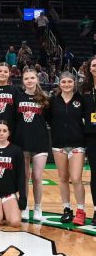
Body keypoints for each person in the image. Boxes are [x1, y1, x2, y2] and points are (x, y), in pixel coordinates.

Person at [48, 72, 86, 225]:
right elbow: (48, 119)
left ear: (74, 83)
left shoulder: (81, 100)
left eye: (69, 81)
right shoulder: (53, 101)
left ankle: (81, 211)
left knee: (76, 179)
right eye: (63, 82)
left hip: (77, 145)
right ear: (59, 84)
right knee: (63, 178)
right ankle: (66, 209)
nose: (66, 84)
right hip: (58, 145)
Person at [14, 69, 49, 221]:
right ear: (23, 81)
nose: (29, 80)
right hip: (21, 141)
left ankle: (38, 207)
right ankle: (24, 206)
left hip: (40, 142)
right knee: (24, 177)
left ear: (37, 79)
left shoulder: (45, 99)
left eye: (32, 78)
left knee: (37, 177)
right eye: (26, 78)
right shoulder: (18, 97)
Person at [0, 120, 26, 227]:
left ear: (9, 133)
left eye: (4, 131)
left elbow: (21, 175)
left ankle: (4, 209)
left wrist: (22, 197)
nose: (1, 133)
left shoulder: (16, 150)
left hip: (9, 193)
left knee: (15, 222)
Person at [81, 55, 96, 226]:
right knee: (95, 174)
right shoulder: (84, 88)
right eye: (93, 65)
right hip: (92, 137)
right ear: (89, 68)